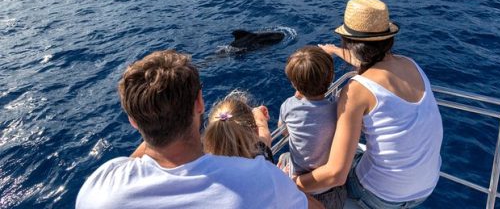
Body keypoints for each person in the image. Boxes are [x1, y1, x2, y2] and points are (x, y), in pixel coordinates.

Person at [76, 50, 322, 209]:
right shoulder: (262, 179)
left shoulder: (99, 190)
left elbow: (137, 159)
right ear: (200, 103)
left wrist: (152, 119)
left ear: (132, 120)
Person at [294, 0, 443, 208]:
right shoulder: (410, 65)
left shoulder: (356, 90)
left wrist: (290, 183)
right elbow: (372, 62)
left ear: (349, 42)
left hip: (381, 196)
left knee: (327, 161)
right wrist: (335, 51)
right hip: (425, 188)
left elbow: (336, 175)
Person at [278, 46, 347, 209]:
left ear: (294, 84)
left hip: (302, 194)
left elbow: (283, 132)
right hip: (335, 192)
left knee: (283, 157)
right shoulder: (338, 108)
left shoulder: (288, 106)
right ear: (331, 78)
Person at [203, 90, 274, 163]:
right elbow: (263, 132)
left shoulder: (206, 169)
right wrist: (257, 111)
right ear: (254, 132)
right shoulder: (262, 158)